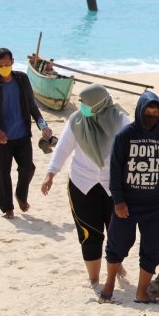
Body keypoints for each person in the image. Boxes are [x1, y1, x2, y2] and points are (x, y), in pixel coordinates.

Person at [40, 84, 131, 286]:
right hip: (82, 183)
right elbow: (63, 148)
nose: (81, 106)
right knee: (90, 233)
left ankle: (116, 264)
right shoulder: (77, 120)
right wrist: (50, 174)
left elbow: (132, 151)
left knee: (116, 233)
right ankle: (94, 279)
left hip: (113, 186)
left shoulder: (121, 120)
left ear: (98, 103)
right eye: (80, 101)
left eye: (85, 102)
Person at [99, 91, 159, 304]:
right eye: (148, 110)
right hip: (126, 203)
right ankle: (109, 284)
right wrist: (118, 201)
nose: (152, 114)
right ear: (140, 110)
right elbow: (115, 171)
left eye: (156, 111)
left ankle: (142, 292)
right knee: (117, 245)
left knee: (152, 249)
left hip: (154, 204)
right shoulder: (125, 135)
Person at [0, 47, 53, 219]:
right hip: (2, 138)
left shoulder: (22, 79)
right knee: (3, 173)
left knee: (28, 168)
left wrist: (43, 125)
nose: (4, 68)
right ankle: (8, 209)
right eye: (0, 66)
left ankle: (21, 195)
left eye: (6, 64)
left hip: (22, 135)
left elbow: (32, 106)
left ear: (12, 62)